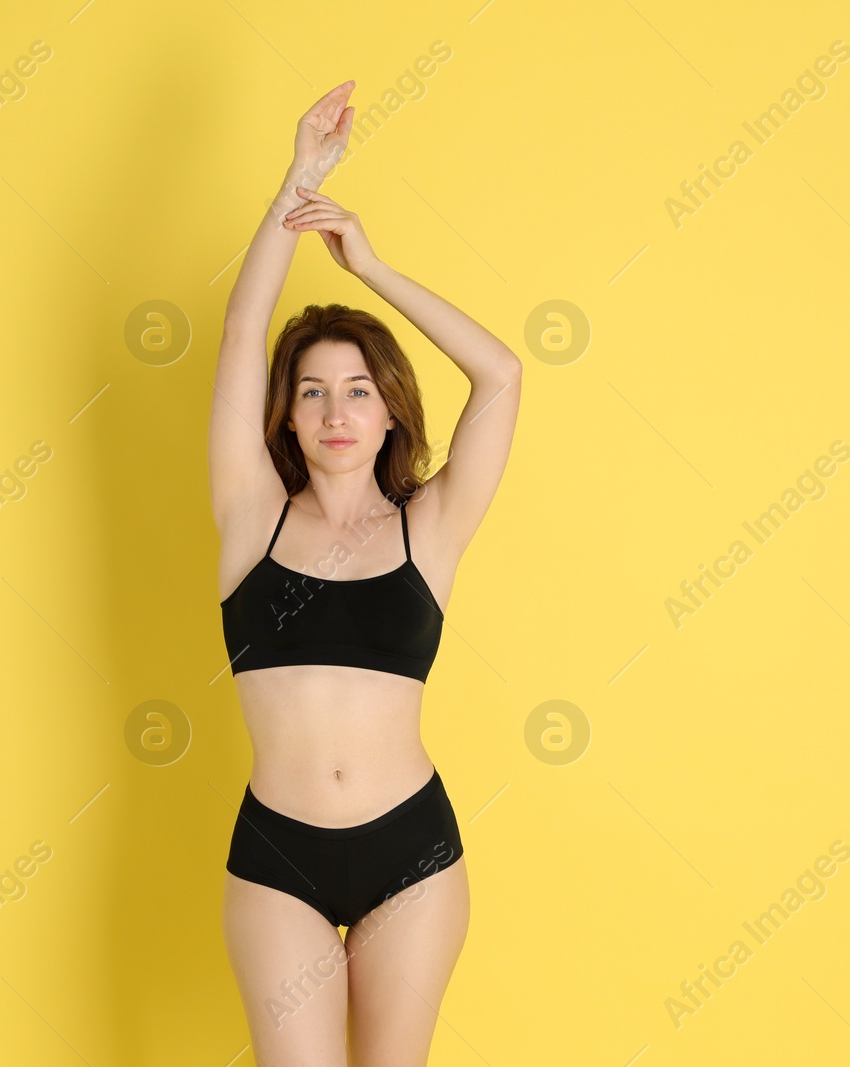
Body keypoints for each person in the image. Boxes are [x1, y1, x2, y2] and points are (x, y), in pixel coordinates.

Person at [211, 80, 521, 1065]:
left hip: (411, 854)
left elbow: (503, 374)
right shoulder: (248, 516)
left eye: (357, 390)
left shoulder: (429, 526)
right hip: (276, 857)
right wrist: (295, 186)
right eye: (311, 391)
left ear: (389, 410)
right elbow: (238, 331)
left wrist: (369, 264)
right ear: (287, 416)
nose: (335, 410)